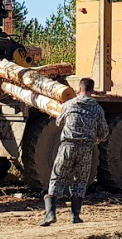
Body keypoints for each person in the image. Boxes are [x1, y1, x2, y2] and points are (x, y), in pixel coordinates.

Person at [40, 77, 109, 226]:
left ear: (79, 89)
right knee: (81, 181)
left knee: (57, 177)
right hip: (86, 148)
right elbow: (104, 134)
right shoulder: (97, 109)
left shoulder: (69, 104)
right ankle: (75, 216)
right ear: (92, 90)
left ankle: (50, 214)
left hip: (67, 147)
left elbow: (59, 122)